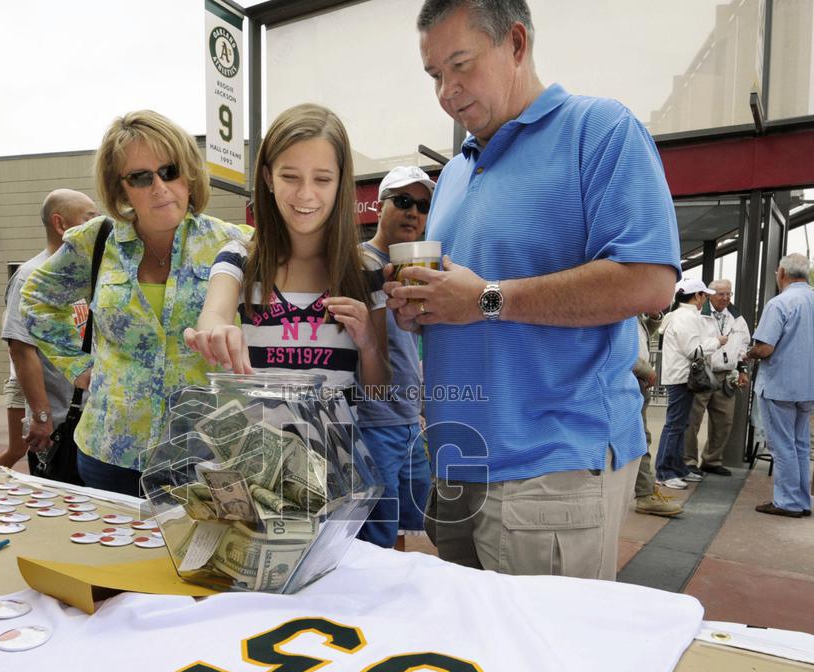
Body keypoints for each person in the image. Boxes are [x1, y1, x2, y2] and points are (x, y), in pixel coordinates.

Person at [384, 0, 680, 580]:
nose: (447, 90)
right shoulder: (454, 173)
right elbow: (463, 300)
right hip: (456, 461)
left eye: (460, 65)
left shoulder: (598, 131)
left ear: (516, 43)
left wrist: (486, 299)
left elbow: (651, 282)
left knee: (545, 662)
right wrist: (425, 310)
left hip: (550, 465)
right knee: (472, 660)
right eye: (434, 75)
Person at [22, 110, 250, 496]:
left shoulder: (234, 243)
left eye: (170, 170)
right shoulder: (96, 241)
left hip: (205, 454)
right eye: (141, 177)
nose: (159, 186)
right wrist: (79, 368)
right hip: (110, 450)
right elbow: (37, 299)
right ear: (121, 189)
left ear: (190, 174)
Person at [185, 103, 390, 398]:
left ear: (340, 181)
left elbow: (379, 390)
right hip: (259, 443)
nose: (305, 193)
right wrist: (218, 331)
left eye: (322, 179)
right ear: (268, 178)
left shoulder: (366, 269)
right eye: (290, 177)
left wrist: (368, 342)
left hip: (338, 444)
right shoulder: (240, 258)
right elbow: (213, 314)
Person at [355, 166, 434, 549]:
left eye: (422, 204)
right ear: (378, 207)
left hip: (408, 419)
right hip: (371, 422)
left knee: (405, 527)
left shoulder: (421, 268)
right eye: (403, 201)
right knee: (375, 536)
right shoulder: (357, 262)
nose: (414, 212)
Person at [0, 189, 98, 472]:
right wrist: (41, 416)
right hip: (60, 421)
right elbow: (21, 349)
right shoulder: (32, 276)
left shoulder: (90, 274)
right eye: (89, 219)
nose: (98, 227)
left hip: (93, 419)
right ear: (60, 224)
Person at [746, 253, 814, 518]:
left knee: (782, 445)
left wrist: (748, 353)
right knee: (800, 445)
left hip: (779, 386)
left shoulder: (780, 303)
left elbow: (765, 348)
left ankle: (787, 502)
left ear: (782, 273)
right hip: (807, 386)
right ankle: (802, 500)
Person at [655, 278, 727, 489]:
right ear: (696, 296)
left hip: (678, 376)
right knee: (675, 425)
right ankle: (665, 472)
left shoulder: (676, 315)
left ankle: (677, 468)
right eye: (704, 295)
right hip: (681, 377)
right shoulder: (687, 317)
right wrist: (717, 342)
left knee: (679, 424)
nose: (706, 299)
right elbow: (693, 351)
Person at [684, 278, 751, 476]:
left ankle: (712, 460)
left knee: (724, 421)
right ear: (711, 294)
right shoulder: (698, 313)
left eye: (728, 294)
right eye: (721, 294)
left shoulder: (736, 317)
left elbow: (743, 346)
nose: (725, 298)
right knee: (692, 419)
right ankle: (688, 460)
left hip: (726, 374)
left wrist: (743, 370)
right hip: (703, 372)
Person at [632, 311, 682, 517]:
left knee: (640, 439)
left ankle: (646, 491)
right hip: (630, 382)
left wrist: (653, 319)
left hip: (635, 383)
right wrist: (644, 369)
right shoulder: (619, 307)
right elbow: (617, 348)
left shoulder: (631, 310)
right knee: (640, 440)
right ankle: (645, 494)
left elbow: (641, 337)